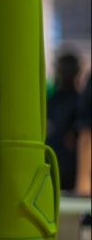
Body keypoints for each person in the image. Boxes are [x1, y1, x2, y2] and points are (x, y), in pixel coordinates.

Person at [47, 52, 83, 191]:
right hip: (50, 164)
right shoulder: (51, 101)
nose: (65, 72)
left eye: (69, 68)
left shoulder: (80, 103)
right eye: (63, 68)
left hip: (71, 169)